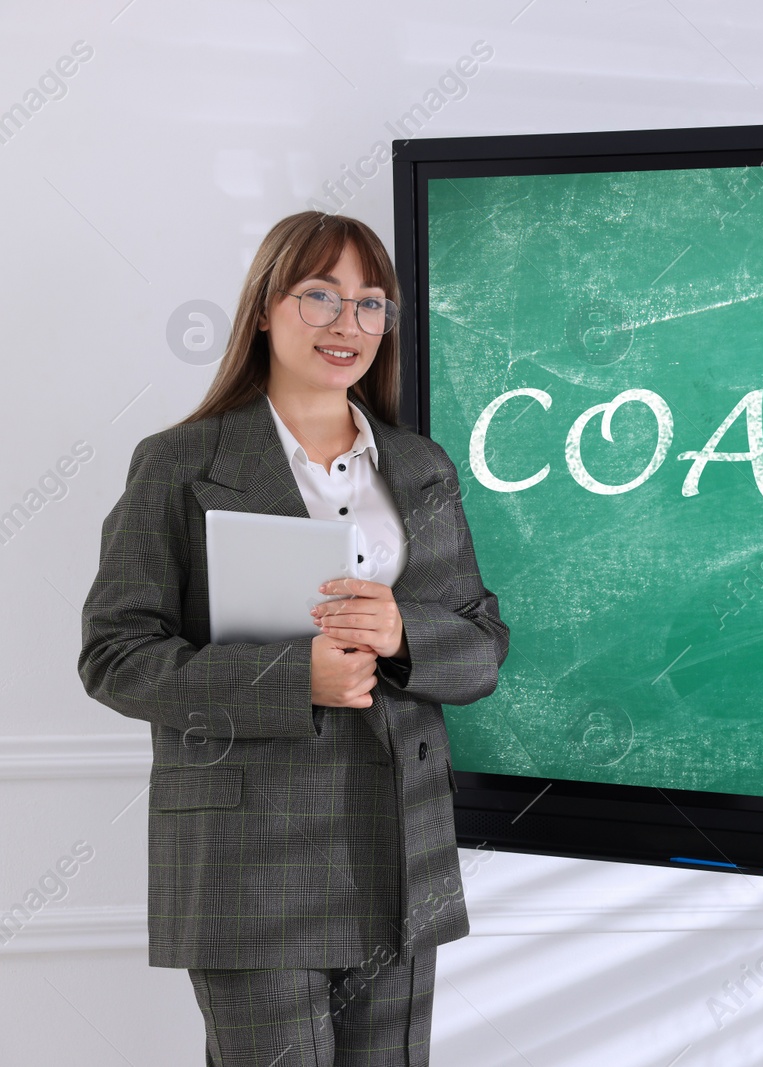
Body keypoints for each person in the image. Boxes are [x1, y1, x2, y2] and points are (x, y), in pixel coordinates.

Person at [78, 210, 510, 1066]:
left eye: (370, 304)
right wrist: (291, 679)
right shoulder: (179, 463)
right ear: (266, 309)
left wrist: (403, 633)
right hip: (252, 854)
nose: (347, 324)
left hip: (401, 847)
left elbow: (484, 644)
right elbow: (115, 654)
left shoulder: (420, 466)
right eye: (321, 296)